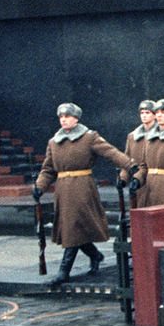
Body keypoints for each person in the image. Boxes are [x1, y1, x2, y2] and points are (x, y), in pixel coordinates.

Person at [32, 102, 137, 286]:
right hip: (63, 190)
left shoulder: (89, 137)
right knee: (73, 229)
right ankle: (96, 255)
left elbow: (110, 152)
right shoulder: (54, 142)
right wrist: (40, 186)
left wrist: (129, 165)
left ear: (76, 119)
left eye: (68, 116)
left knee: (73, 228)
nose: (64, 119)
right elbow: (48, 169)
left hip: (82, 188)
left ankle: (64, 272)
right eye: (61, 117)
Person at [118, 99, 156, 207]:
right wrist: (123, 178)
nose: (144, 116)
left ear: (154, 115)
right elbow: (127, 160)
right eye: (142, 113)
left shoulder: (161, 135)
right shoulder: (133, 136)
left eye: (147, 113)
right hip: (138, 183)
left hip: (156, 181)